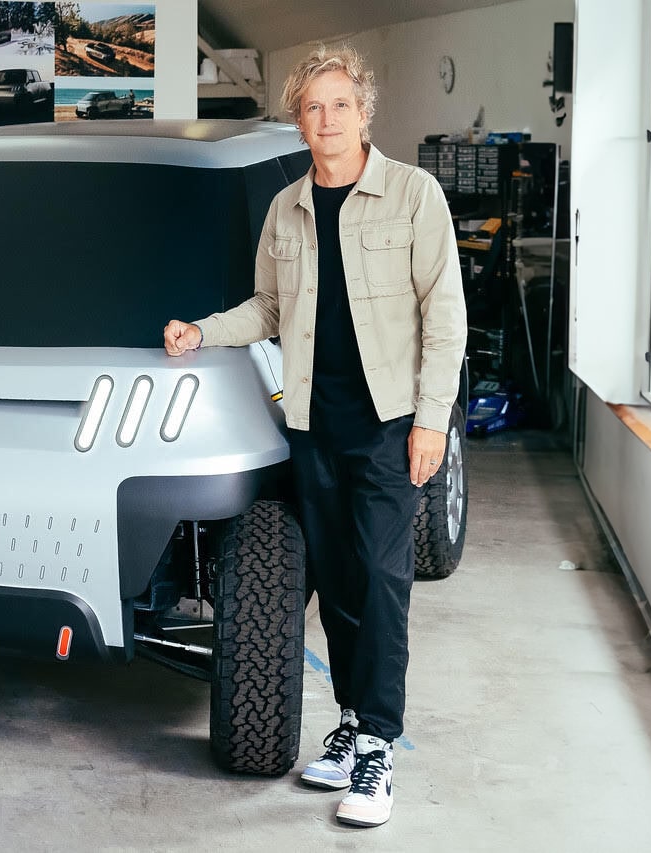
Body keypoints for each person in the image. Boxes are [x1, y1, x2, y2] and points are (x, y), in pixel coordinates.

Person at [163, 44, 466, 828]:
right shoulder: (287, 209)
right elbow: (267, 309)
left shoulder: (413, 194)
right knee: (334, 580)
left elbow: (446, 315)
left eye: (339, 105)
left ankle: (378, 747)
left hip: (389, 424)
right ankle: (352, 721)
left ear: (364, 111)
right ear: (298, 121)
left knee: (381, 580)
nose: (326, 120)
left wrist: (432, 418)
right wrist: (201, 331)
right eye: (311, 108)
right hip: (311, 424)